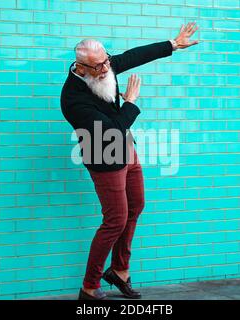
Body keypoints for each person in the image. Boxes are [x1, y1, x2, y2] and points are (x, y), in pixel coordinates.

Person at [60, 22, 199, 300]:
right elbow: (110, 132)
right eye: (98, 67)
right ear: (81, 67)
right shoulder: (73, 99)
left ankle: (120, 270)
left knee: (136, 205)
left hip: (126, 148)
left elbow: (133, 56)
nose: (105, 69)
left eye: (106, 62)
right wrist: (131, 103)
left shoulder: (104, 65)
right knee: (115, 219)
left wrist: (173, 44)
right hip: (103, 155)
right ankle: (89, 287)